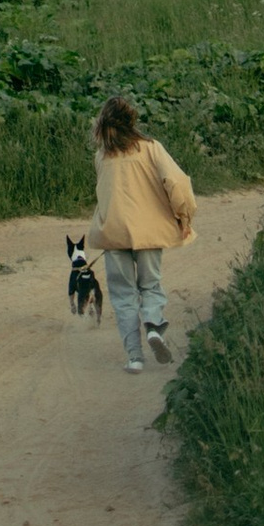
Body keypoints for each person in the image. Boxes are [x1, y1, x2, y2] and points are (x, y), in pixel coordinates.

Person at [85, 94, 195, 372]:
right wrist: (184, 216)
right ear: (132, 121)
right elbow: (178, 182)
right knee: (150, 286)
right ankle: (154, 327)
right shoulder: (151, 148)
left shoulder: (102, 156)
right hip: (147, 232)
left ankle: (134, 357)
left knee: (122, 296)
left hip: (113, 232)